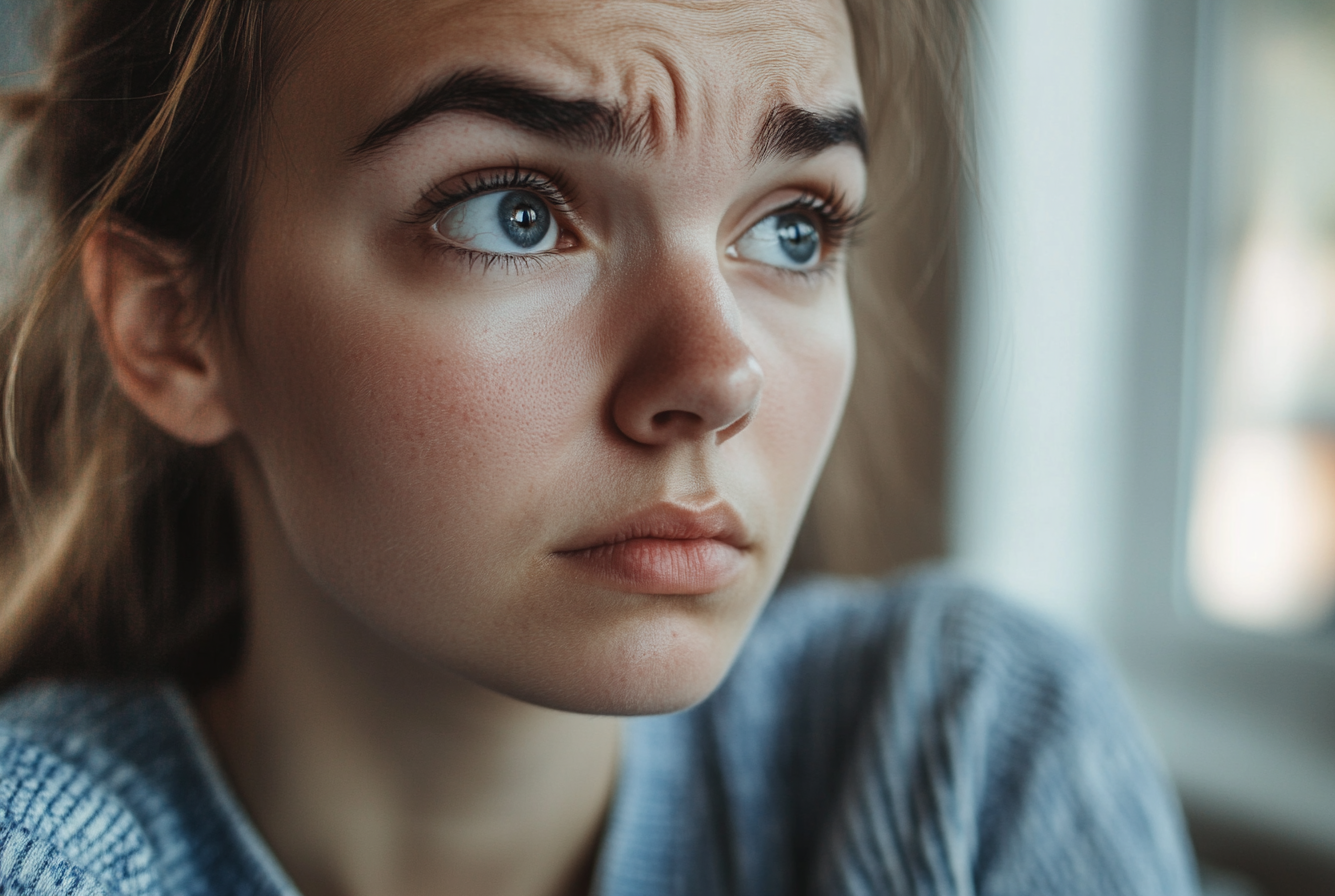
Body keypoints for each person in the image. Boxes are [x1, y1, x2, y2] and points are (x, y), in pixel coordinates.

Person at [0, 1, 1199, 894]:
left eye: (792, 226)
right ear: (171, 329)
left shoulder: (963, 755)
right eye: (514, 212)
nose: (719, 377)